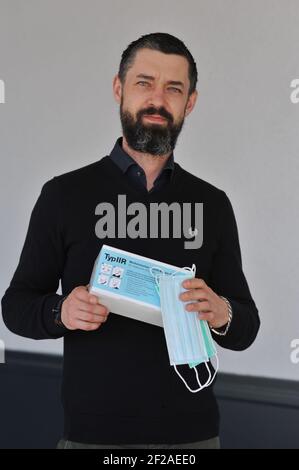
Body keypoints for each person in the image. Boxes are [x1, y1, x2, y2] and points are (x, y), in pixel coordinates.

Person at [1, 32, 260, 450]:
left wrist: (221, 311)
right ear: (119, 89)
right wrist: (61, 310)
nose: (157, 99)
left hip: (191, 439)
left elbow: (245, 326)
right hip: (93, 438)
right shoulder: (64, 195)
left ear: (189, 102)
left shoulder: (213, 204)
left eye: (173, 88)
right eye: (144, 83)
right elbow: (15, 307)